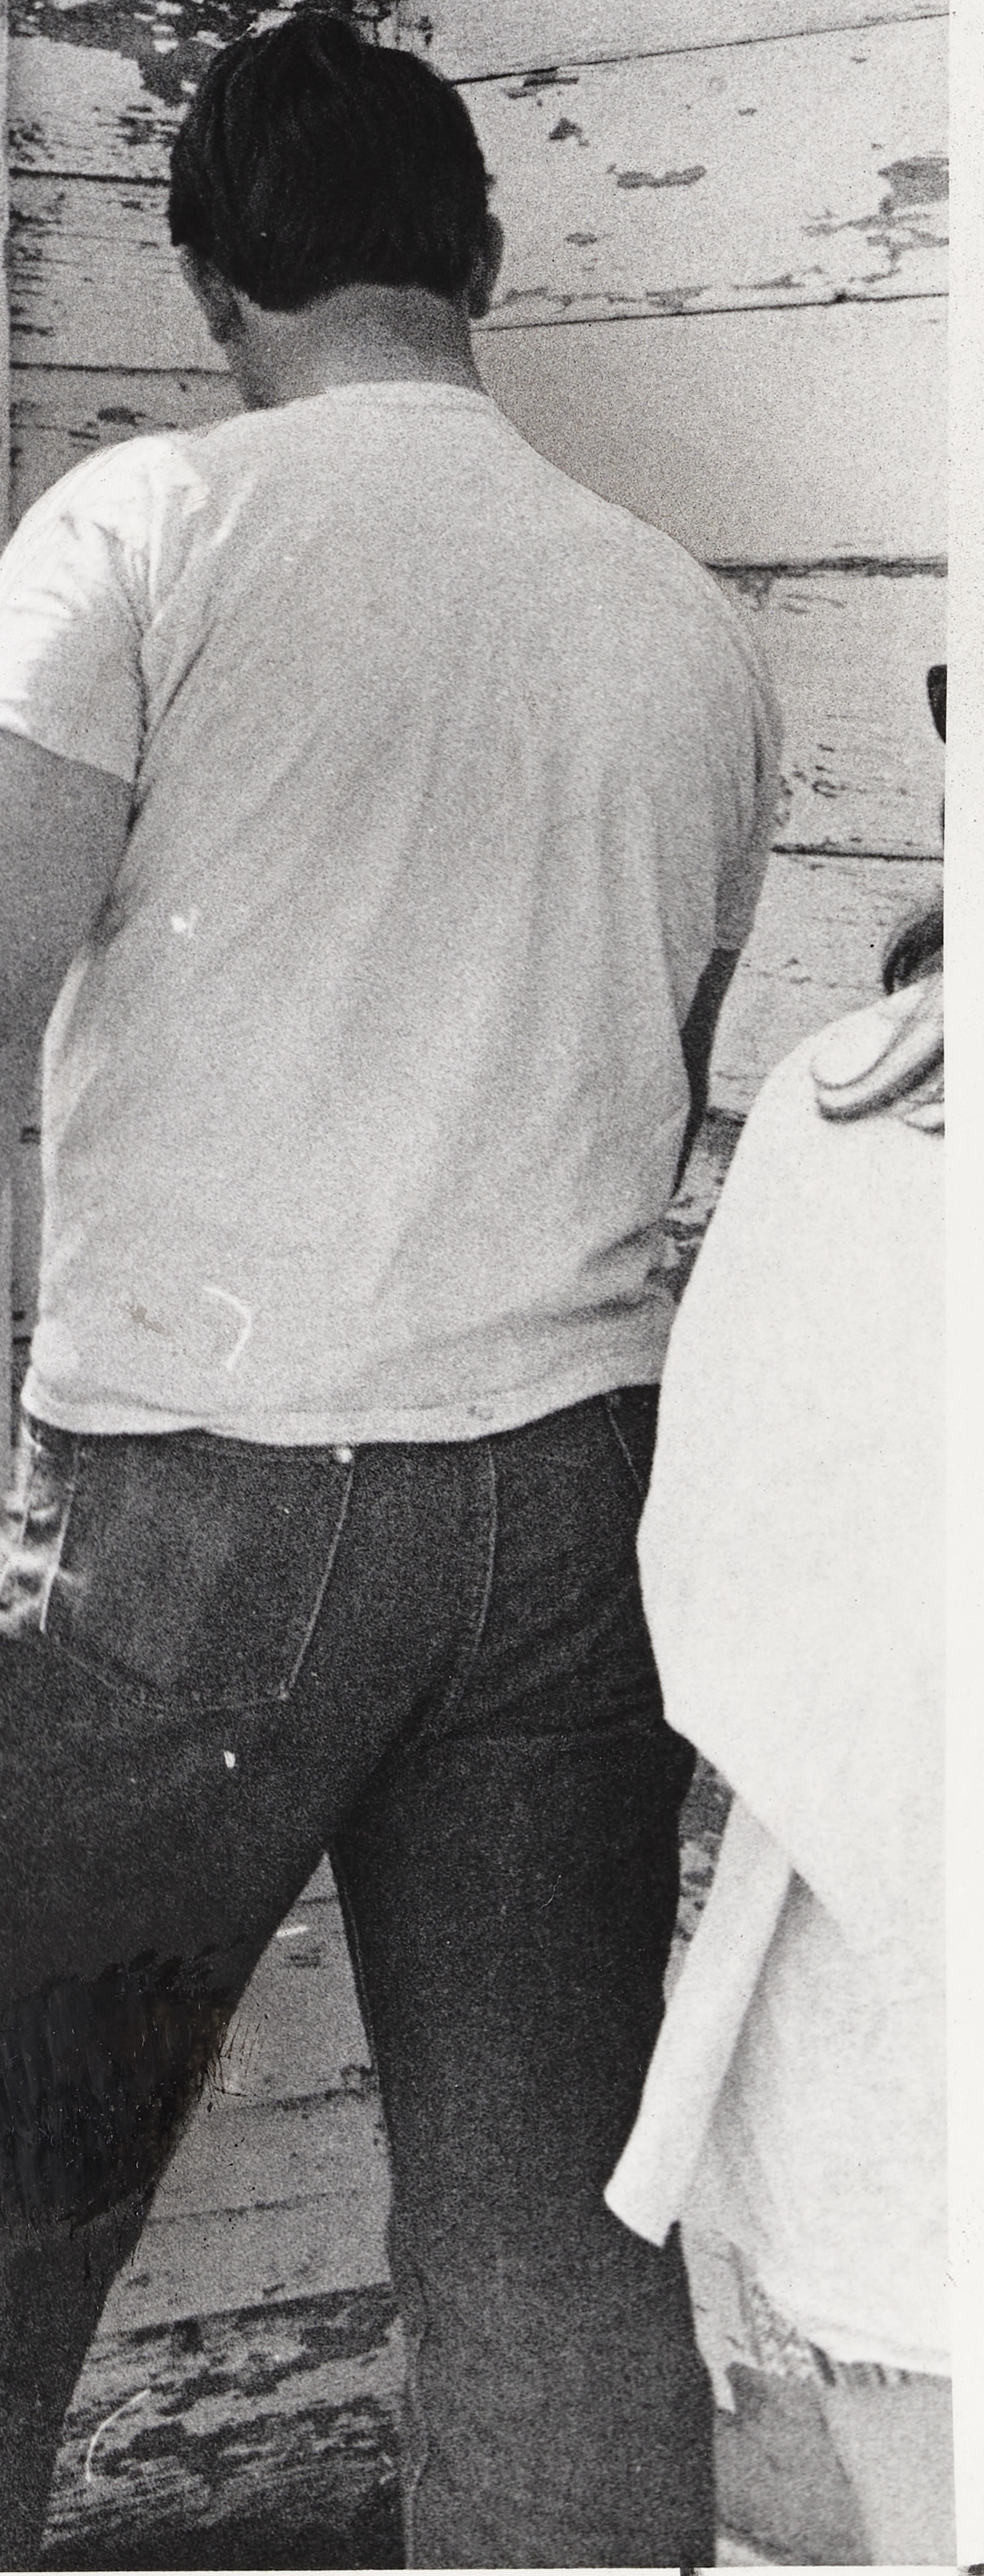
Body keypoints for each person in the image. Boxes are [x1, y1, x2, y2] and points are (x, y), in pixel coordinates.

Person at [0, 7, 781, 2571]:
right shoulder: (685, 626)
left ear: (212, 271)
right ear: (481, 257)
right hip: (567, 1507)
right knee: (553, 2235)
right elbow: (657, 1084)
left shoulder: (146, 531)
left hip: (197, 1504)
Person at [603, 901, 950, 2565]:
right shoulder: (865, 1099)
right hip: (897, 1904)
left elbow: (720, 1556)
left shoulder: (861, 1094)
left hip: (893, 1889)